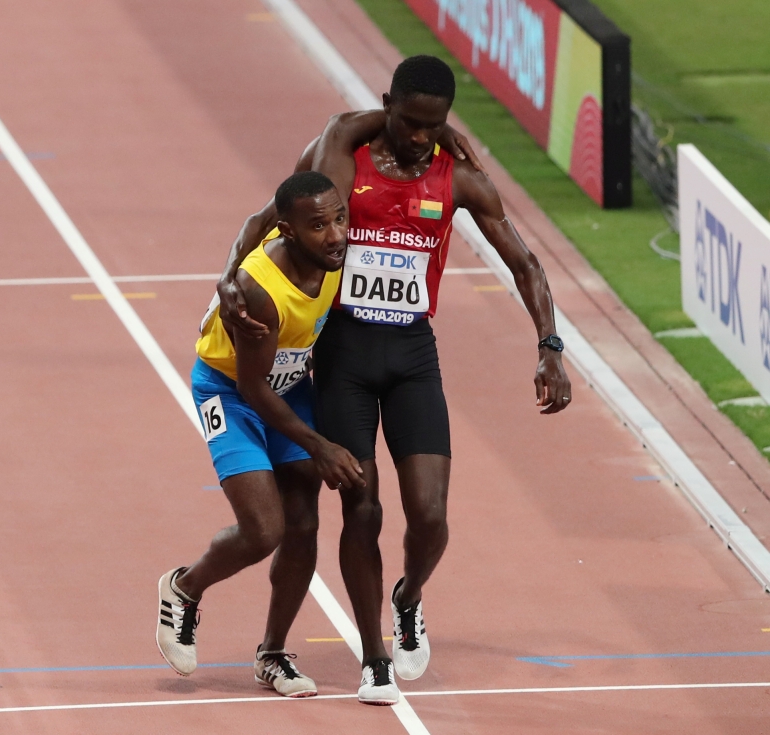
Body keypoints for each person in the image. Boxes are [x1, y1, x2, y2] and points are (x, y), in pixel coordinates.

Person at [217, 55, 573, 705]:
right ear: (388, 109)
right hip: (345, 355)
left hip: (412, 353)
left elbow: (524, 262)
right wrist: (229, 277)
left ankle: (408, 596)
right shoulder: (345, 158)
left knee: (431, 515)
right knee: (362, 506)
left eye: (433, 127)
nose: (418, 138)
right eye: (408, 123)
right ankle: (375, 657)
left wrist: (549, 343)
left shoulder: (458, 177)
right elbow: (278, 209)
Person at [157, 171, 366, 698]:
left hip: (290, 382)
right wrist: (321, 445)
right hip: (231, 391)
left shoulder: (333, 256)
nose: (336, 234)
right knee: (264, 529)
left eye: (339, 217)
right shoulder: (259, 290)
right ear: (289, 232)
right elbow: (252, 387)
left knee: (303, 521)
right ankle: (184, 588)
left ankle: (273, 654)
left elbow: (258, 216)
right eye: (318, 226)